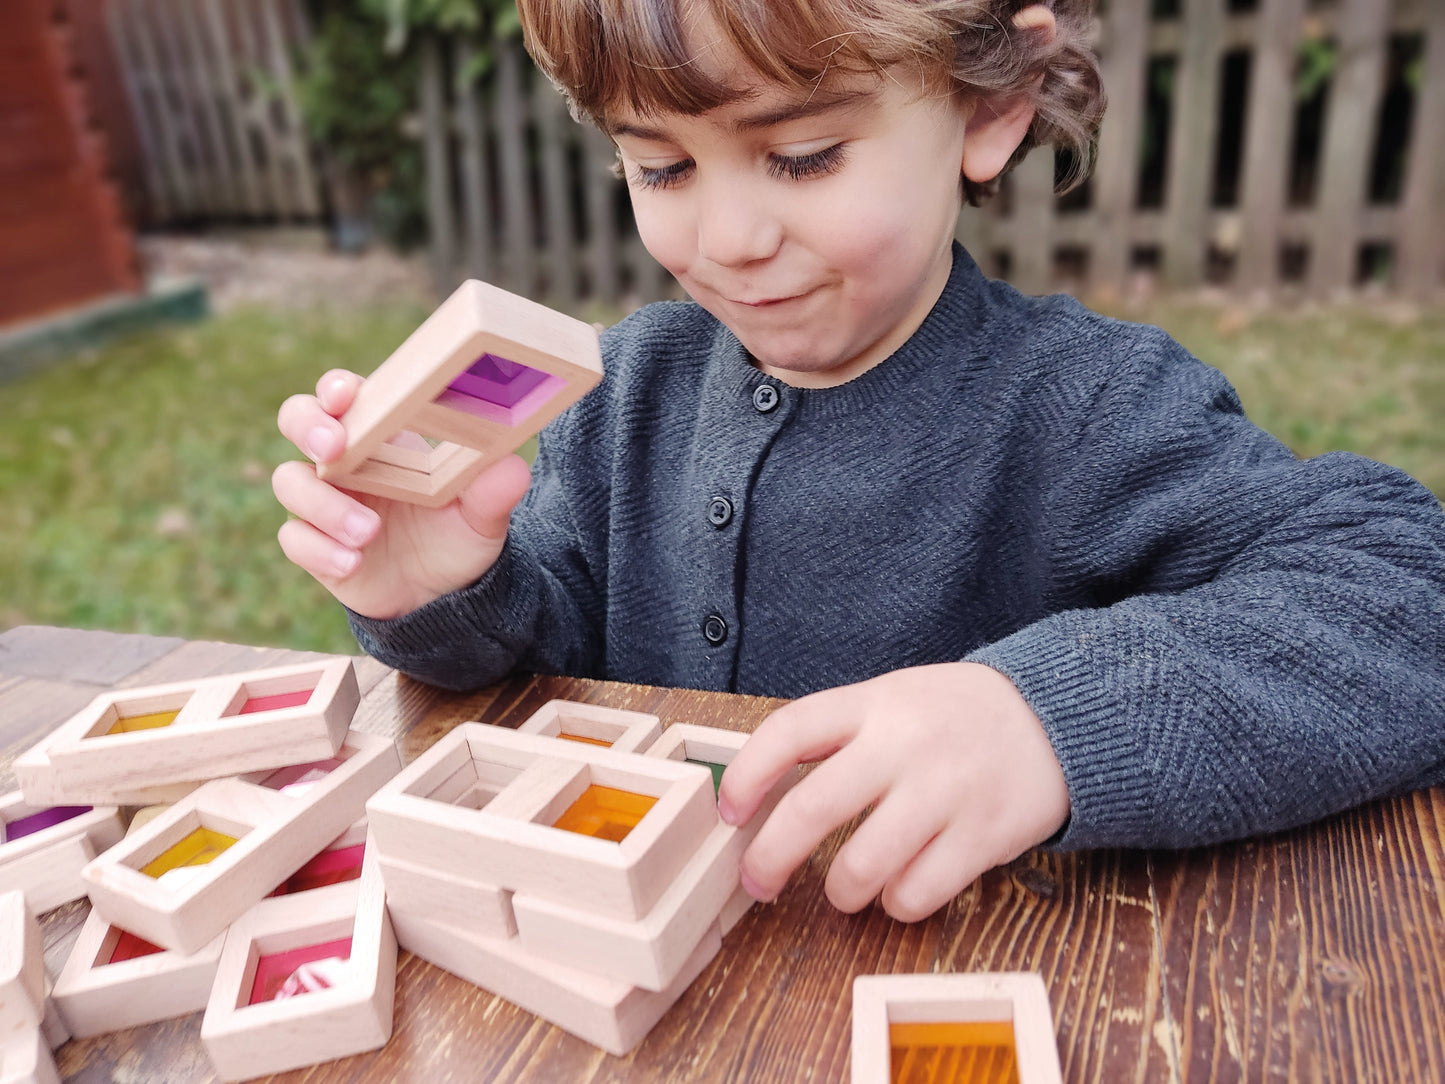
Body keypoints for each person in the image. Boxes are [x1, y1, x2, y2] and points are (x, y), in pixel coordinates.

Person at [272, 0, 1445, 924]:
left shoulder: (1084, 407)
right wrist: (444, 593)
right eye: (661, 168)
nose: (727, 240)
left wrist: (1038, 717)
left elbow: (1403, 595)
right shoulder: (628, 390)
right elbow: (549, 663)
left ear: (990, 102)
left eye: (802, 155)